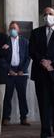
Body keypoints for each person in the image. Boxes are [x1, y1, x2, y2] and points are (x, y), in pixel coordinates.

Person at [29, 7, 54, 138]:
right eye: (45, 14)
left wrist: (52, 64)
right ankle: (45, 132)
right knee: (43, 104)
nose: (48, 16)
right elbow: (31, 50)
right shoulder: (35, 32)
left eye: (50, 14)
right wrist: (42, 61)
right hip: (41, 74)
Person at [2, 21, 30, 126]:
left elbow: (28, 57)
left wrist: (23, 70)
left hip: (22, 73)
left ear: (18, 30)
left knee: (22, 96)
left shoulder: (25, 42)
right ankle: (6, 118)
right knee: (7, 96)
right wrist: (9, 70)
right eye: (11, 28)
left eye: (14, 28)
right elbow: (2, 58)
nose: (12, 30)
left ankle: (24, 118)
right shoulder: (5, 41)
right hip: (9, 72)